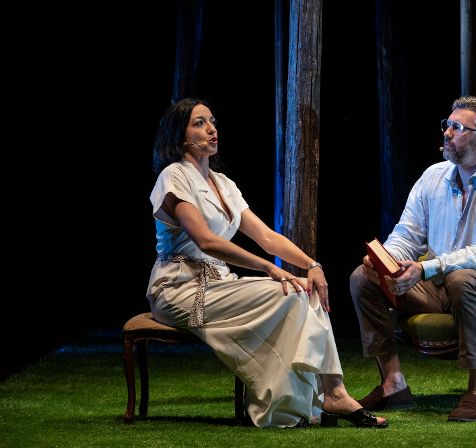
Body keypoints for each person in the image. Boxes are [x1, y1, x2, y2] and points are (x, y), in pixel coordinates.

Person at [146, 97, 387, 429]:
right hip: (180, 288)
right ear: (180, 136)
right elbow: (206, 241)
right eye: (199, 123)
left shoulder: (223, 184)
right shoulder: (174, 176)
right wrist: (270, 268)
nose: (211, 129)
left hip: (219, 284)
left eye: (212, 121)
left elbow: (267, 237)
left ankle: (333, 392)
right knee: (287, 289)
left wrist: (312, 265)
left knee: (304, 289)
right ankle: (310, 397)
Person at [350, 96, 476, 422]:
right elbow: (407, 235)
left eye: (458, 128)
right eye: (448, 124)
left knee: (463, 279)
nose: (447, 132)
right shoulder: (433, 176)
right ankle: (393, 383)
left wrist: (425, 268)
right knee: (363, 277)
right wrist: (386, 260)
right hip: (437, 285)